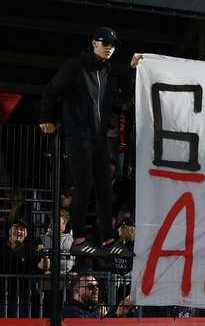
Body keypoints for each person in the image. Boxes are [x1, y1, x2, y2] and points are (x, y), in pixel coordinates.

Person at [39, 26, 138, 258]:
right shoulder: (76, 66)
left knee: (105, 188)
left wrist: (133, 70)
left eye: (113, 45)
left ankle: (107, 239)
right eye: (105, 43)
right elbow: (51, 90)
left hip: (99, 138)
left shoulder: (108, 71)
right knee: (84, 185)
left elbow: (117, 97)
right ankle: (79, 239)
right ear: (94, 43)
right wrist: (46, 118)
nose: (109, 48)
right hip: (78, 136)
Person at [62, 272, 132, 318]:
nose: (96, 290)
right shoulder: (71, 312)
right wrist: (101, 315)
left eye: (97, 286)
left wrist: (118, 311)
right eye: (91, 287)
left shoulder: (90, 309)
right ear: (76, 290)